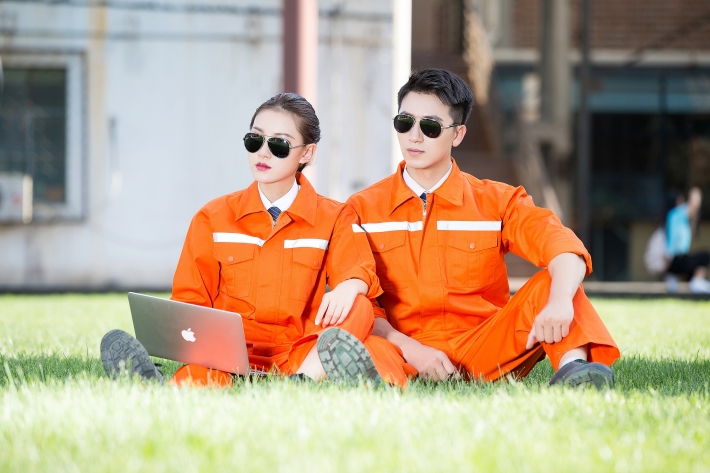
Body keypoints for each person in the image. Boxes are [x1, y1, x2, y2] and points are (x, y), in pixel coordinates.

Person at [100, 93, 411, 387]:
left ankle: (302, 382)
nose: (263, 152)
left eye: (279, 144)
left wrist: (350, 286)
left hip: (301, 353)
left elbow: (358, 269)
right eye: (255, 139)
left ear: (307, 153)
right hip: (228, 355)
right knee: (203, 374)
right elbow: (190, 302)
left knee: (361, 308)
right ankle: (159, 386)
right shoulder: (212, 217)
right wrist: (196, 344)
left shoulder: (335, 217)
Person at [346, 68, 620, 388]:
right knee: (359, 318)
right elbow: (360, 300)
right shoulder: (362, 208)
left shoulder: (498, 201)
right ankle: (379, 376)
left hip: (484, 350)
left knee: (557, 283)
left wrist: (559, 301)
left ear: (458, 134)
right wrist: (411, 349)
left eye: (430, 126)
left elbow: (561, 246)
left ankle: (575, 371)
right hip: (401, 349)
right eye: (404, 122)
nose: (414, 136)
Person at [664, 187, 710, 294]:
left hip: (678, 258)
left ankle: (679, 279)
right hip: (675, 258)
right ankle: (696, 282)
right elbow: (672, 237)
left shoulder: (686, 218)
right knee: (705, 256)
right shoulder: (677, 214)